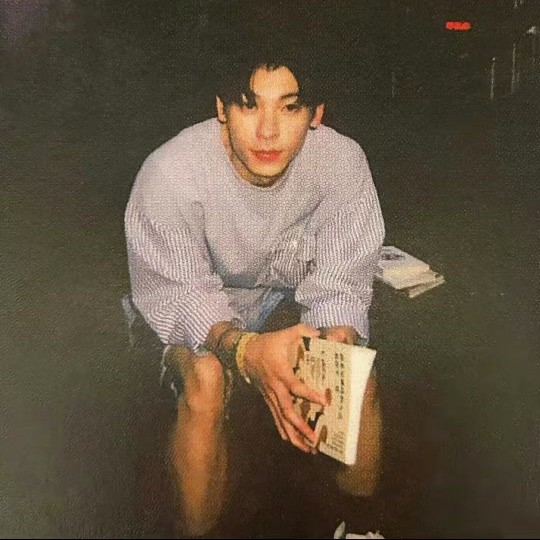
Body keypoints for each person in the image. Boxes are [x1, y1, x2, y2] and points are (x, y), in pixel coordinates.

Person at [124, 43, 385, 536]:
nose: (267, 131)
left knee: (354, 372)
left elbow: (340, 281)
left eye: (289, 107)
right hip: (181, 309)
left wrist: (338, 336)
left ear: (316, 114)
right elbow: (180, 297)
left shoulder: (342, 162)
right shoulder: (170, 173)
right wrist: (245, 351)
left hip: (275, 304)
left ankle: (361, 528)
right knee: (206, 381)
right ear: (221, 108)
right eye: (249, 105)